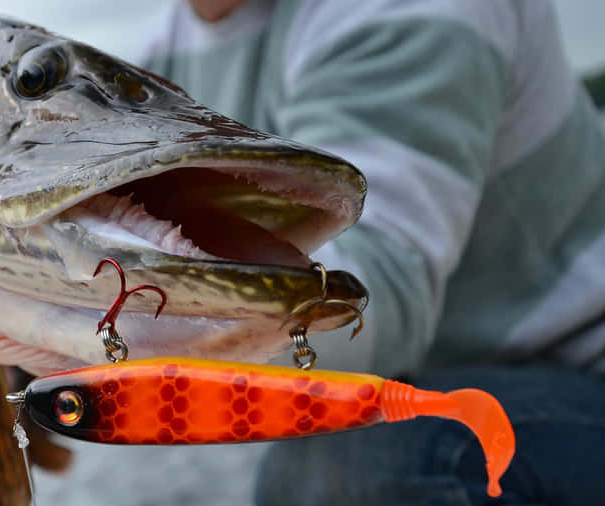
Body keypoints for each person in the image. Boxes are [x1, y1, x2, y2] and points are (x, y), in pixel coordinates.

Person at [139, 0, 605, 504]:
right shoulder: (160, 58)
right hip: (449, 382)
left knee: (345, 472)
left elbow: (375, 303)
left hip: (579, 370)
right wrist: (45, 359)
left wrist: (95, 323)